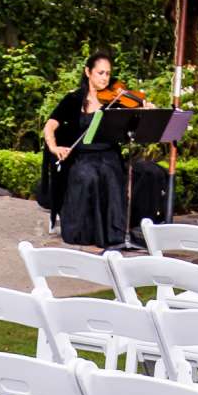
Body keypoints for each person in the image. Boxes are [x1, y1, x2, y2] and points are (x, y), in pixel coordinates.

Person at [40, 51, 151, 250]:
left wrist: (145, 109)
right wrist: (53, 146)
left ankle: (114, 233)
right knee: (88, 174)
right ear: (88, 72)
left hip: (109, 155)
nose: (105, 78)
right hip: (81, 156)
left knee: (111, 172)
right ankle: (85, 231)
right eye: (100, 73)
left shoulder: (115, 100)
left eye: (108, 74)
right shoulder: (74, 99)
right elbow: (49, 125)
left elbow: (135, 125)